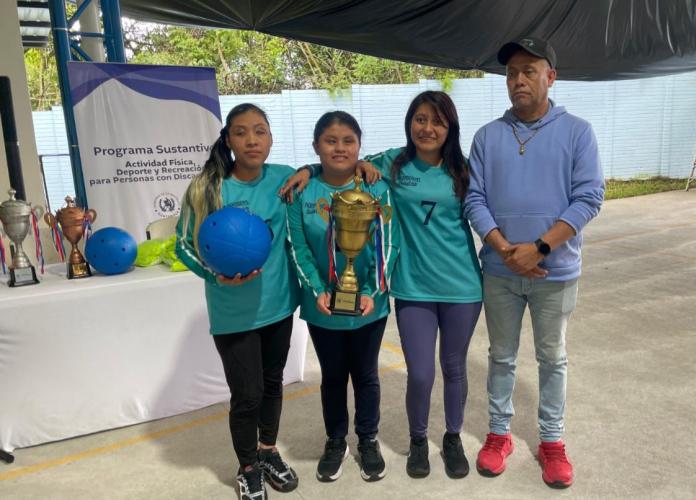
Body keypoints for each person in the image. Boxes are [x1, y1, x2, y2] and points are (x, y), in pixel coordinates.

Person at [281, 91, 483, 480]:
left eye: (437, 121)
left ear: (450, 127)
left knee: (454, 369)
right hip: (411, 287)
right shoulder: (390, 163)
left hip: (462, 286)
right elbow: (340, 162)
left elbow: (488, 210)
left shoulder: (465, 169)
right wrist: (307, 169)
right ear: (410, 123)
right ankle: (419, 441)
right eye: (420, 119)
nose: (428, 128)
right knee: (421, 373)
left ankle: (453, 437)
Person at [464, 38, 604, 488]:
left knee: (552, 358)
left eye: (528, 70)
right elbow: (474, 197)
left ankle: (552, 443)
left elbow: (589, 197)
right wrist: (506, 249)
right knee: (501, 357)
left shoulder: (577, 132)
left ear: (550, 77)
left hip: (555, 273)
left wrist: (539, 248)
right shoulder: (487, 136)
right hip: (500, 273)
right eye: (511, 73)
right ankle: (499, 434)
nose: (518, 80)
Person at [176, 103, 300, 500]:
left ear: (270, 137)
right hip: (233, 312)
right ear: (228, 140)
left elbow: (318, 181)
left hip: (278, 305)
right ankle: (247, 467)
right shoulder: (206, 188)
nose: (252, 140)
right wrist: (216, 274)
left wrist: (311, 170)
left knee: (272, 383)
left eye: (260, 131)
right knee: (246, 394)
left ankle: (268, 452)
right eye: (242, 132)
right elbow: (183, 245)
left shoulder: (283, 178)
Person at [286, 111, 398, 483]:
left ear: (359, 146)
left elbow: (388, 245)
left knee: (366, 375)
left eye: (348, 140)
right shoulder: (301, 191)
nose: (339, 147)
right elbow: (297, 245)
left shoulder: (376, 188)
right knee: (333, 376)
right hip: (322, 307)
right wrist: (317, 290)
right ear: (316, 146)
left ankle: (368, 438)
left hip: (369, 304)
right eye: (330, 140)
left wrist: (370, 291)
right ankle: (336, 440)